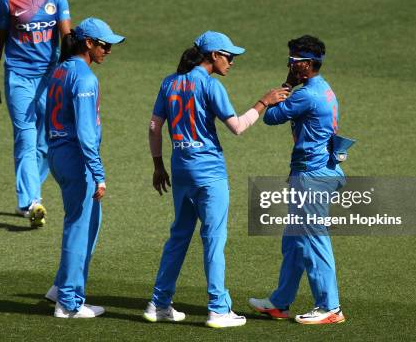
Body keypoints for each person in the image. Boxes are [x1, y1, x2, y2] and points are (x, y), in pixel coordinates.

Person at [143, 31, 289, 328]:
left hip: (180, 171)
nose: (232, 62)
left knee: (178, 237)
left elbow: (154, 126)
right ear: (213, 56)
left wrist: (158, 166)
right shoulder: (210, 86)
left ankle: (158, 303)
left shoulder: (169, 83)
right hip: (209, 174)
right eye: (229, 56)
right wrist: (264, 101)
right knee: (213, 240)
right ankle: (219, 310)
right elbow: (237, 126)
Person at [248, 35, 347, 324]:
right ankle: (280, 302)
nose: (289, 65)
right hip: (314, 171)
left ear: (306, 64)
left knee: (315, 240)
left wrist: (286, 85)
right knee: (294, 241)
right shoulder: (323, 88)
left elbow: (271, 116)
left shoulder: (307, 95)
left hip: (311, 176)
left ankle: (330, 307)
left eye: (292, 61)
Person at [42, 17, 125, 318]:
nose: (109, 51)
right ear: (88, 43)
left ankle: (60, 287)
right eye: (105, 45)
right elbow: (86, 133)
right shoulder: (85, 78)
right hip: (76, 159)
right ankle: (68, 303)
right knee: (79, 228)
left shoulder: (60, 69)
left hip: (57, 154)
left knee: (87, 225)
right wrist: (98, 173)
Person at [0, 0, 71, 227]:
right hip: (19, 76)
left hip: (50, 77)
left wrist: (70, 72)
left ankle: (31, 189)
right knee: (25, 137)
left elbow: (66, 37)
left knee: (47, 139)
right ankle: (31, 201)